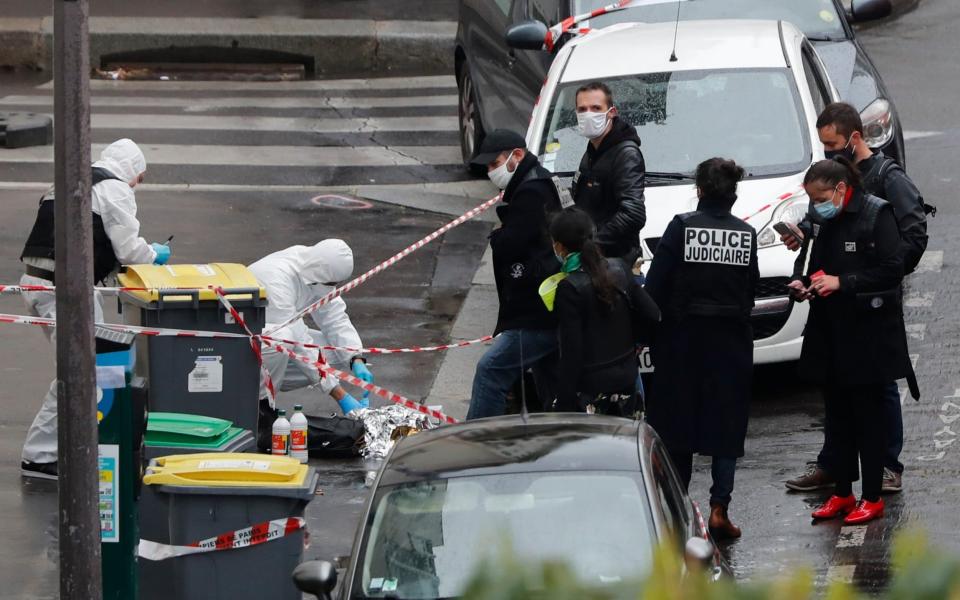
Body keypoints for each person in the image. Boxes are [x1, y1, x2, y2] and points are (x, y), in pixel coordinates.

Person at [784, 102, 931, 494]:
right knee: (837, 389)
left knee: (878, 386)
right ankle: (836, 464)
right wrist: (805, 236)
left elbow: (913, 237)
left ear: (854, 138)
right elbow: (823, 225)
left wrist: (884, 275)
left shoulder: (887, 177)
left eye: (833, 145)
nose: (829, 152)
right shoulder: (830, 182)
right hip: (836, 306)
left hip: (872, 301)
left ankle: (886, 465)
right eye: (824, 146)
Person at [19, 138, 169, 479]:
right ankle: (41, 456)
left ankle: (65, 447)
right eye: (139, 177)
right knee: (83, 372)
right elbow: (130, 249)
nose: (136, 185)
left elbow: (86, 237)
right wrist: (153, 254)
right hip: (66, 293)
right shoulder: (116, 188)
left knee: (81, 370)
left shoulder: (70, 180)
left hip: (38, 282)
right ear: (131, 169)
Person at [788, 158, 912, 526]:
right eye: (812, 199)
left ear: (841, 189)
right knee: (838, 418)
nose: (817, 205)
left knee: (868, 419)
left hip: (867, 334)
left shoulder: (876, 214)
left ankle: (871, 496)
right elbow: (809, 259)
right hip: (830, 333)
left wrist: (843, 282)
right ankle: (842, 492)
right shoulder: (823, 220)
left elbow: (893, 268)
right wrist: (803, 281)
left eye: (822, 196)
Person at [644, 158, 758, 540]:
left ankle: (679, 512)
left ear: (701, 190)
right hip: (730, 345)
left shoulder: (681, 227)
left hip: (682, 344)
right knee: (726, 429)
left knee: (679, 428)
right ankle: (719, 510)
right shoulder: (745, 234)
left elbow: (655, 287)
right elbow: (750, 291)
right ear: (733, 195)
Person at [466, 129, 562, 420]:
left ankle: (478, 440)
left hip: (535, 311)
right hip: (546, 305)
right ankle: (555, 434)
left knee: (491, 371)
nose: (490, 172)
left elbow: (513, 243)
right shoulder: (537, 182)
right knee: (551, 385)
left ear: (516, 156)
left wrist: (499, 237)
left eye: (494, 164)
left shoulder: (532, 191)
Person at [249, 239, 372, 450]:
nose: (332, 288)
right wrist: (339, 393)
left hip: (278, 346)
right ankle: (260, 408)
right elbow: (299, 343)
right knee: (281, 338)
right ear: (319, 276)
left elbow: (334, 317)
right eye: (331, 284)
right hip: (247, 347)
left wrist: (355, 358)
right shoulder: (278, 278)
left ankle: (268, 392)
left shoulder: (317, 267)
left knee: (335, 351)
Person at [549, 208, 659, 416]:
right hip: (627, 379)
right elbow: (653, 315)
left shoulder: (569, 288)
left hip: (591, 392)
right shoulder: (619, 269)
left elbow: (571, 353)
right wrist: (632, 347)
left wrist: (563, 406)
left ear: (560, 247)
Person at [570, 81, 646, 263]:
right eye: (582, 109)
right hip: (594, 259)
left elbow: (633, 214)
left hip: (613, 262)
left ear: (611, 112)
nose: (588, 114)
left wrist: (594, 244)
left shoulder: (625, 154)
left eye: (596, 108)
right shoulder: (593, 150)